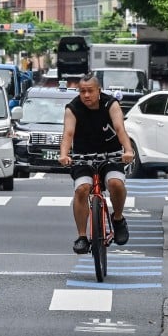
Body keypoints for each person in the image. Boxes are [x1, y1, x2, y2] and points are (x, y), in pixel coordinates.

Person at [57, 72, 135, 254]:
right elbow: (68, 133)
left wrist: (128, 151)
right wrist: (64, 155)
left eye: (90, 91)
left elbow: (119, 128)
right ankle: (82, 236)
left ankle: (118, 219)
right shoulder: (73, 108)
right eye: (82, 91)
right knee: (82, 189)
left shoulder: (111, 104)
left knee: (115, 183)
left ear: (99, 90)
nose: (86, 95)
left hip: (111, 155)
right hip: (83, 157)